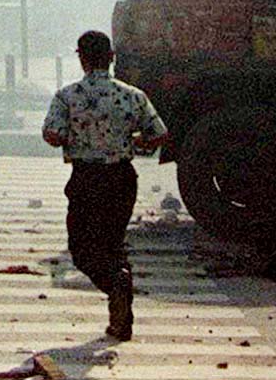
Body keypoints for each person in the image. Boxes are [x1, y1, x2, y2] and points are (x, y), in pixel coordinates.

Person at [42, 29, 167, 341]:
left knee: (82, 249)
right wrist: (134, 140)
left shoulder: (67, 96)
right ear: (111, 58)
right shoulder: (133, 95)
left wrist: (76, 135)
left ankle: (115, 285)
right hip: (122, 179)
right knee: (113, 245)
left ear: (82, 59)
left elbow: (52, 135)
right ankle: (121, 318)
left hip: (87, 179)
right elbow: (159, 134)